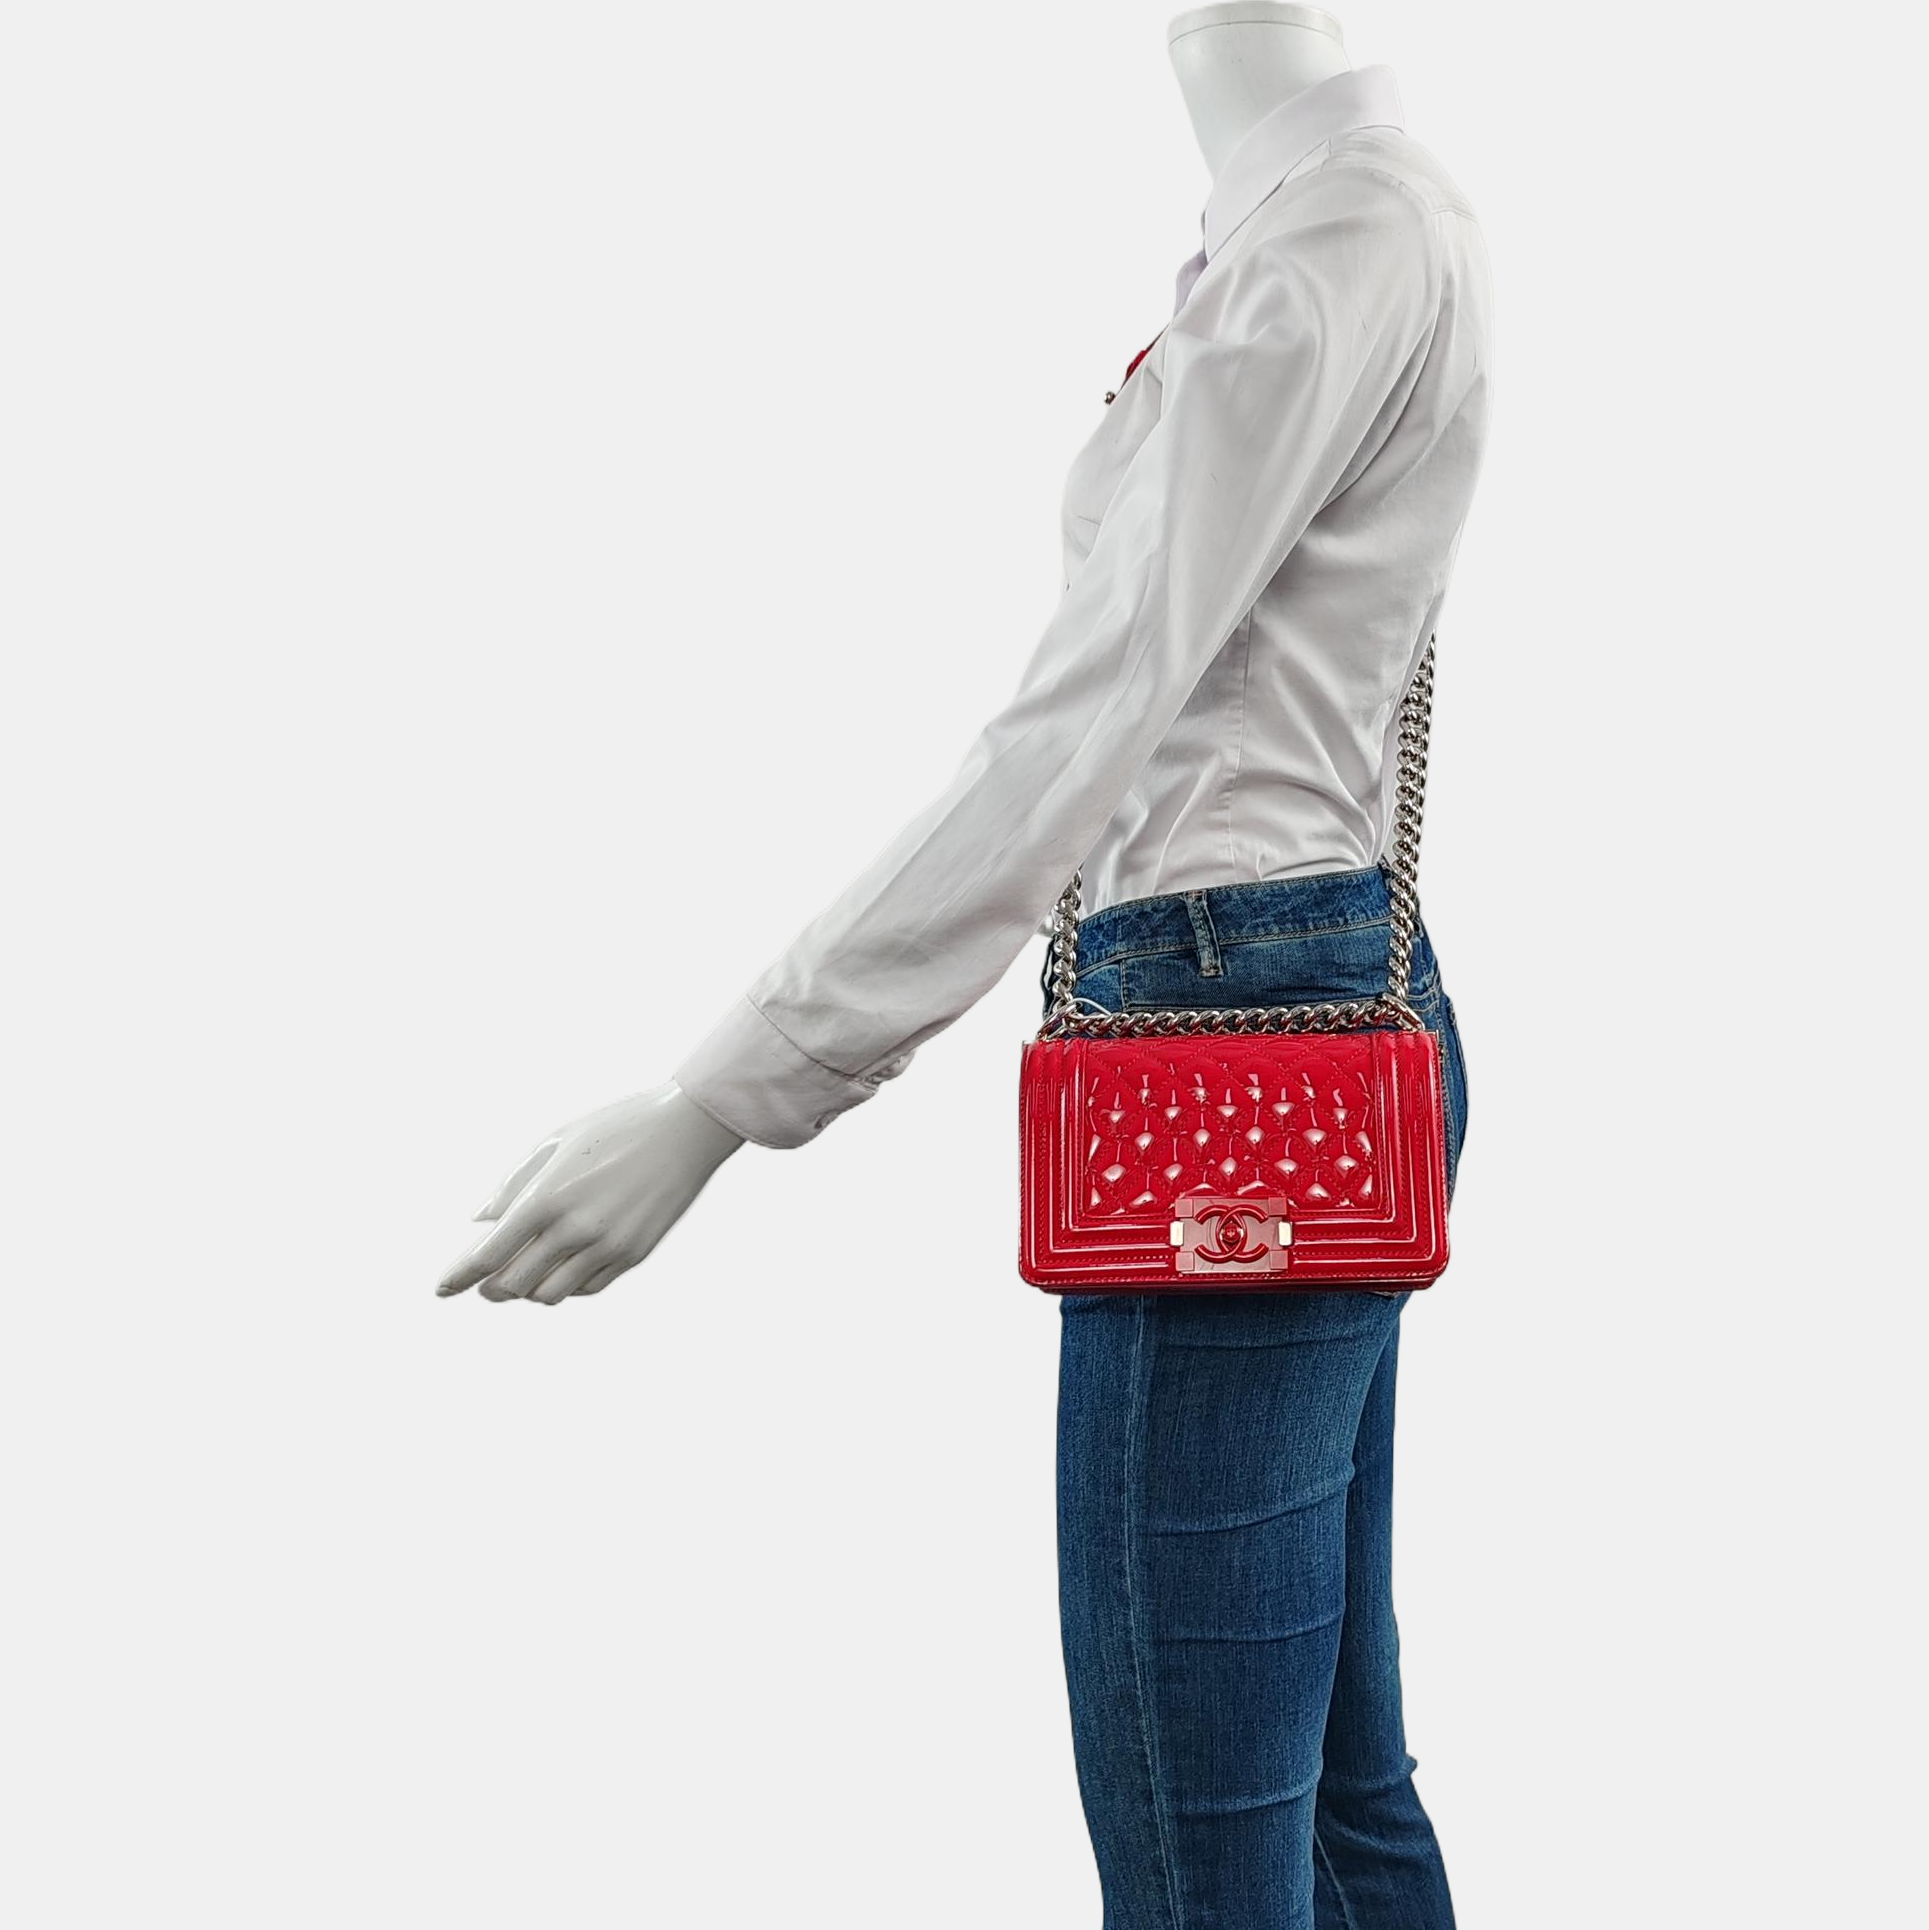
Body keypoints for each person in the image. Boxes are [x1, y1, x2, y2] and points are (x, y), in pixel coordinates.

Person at [438, 21, 1490, 1927]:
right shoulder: (1327, 221)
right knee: (1336, 1801)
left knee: (1201, 1846)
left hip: (1231, 1039)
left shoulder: (1333, 240)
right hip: (1310, 1005)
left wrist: (723, 1095)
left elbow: (1079, 730)